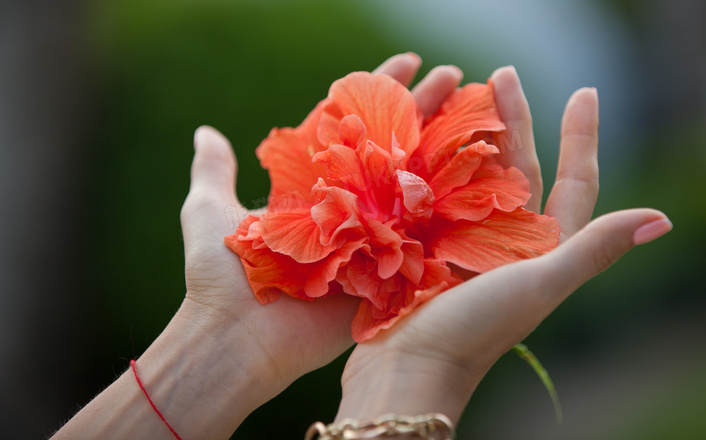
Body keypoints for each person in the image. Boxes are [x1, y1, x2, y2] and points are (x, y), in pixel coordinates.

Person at [51, 53, 671, 440]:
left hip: (431, 243)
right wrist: (221, 337)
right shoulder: (316, 230)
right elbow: (295, 182)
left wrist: (211, 353)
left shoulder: (434, 207)